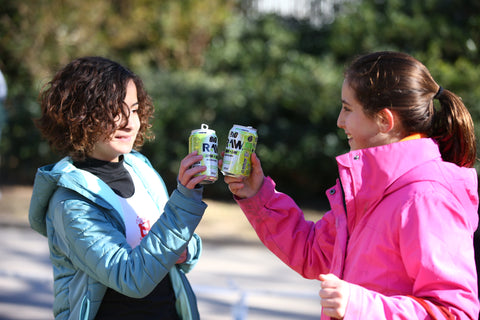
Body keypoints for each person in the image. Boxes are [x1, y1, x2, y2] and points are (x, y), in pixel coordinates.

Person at [224, 51, 479, 319]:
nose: (339, 121)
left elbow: (454, 313)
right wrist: (257, 194)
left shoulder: (427, 197)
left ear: (384, 120)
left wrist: (358, 306)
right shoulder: (372, 189)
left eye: (347, 108)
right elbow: (313, 251)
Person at [28, 56, 208, 320]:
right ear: (80, 116)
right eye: (113, 110)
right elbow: (131, 277)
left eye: (134, 109)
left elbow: (171, 242)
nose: (129, 122)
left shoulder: (141, 169)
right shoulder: (70, 203)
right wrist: (185, 197)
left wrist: (186, 250)